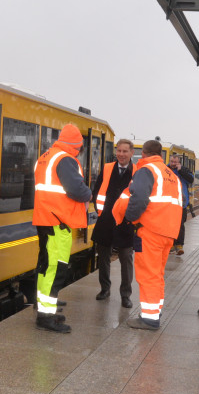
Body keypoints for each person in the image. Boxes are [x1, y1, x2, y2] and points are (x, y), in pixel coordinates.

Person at [112, 140, 183, 330]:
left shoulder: (146, 170)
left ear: (143, 153)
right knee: (157, 274)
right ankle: (155, 310)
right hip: (168, 232)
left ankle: (149, 318)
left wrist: (130, 218)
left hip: (151, 231)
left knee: (148, 275)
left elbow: (139, 198)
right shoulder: (170, 174)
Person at [32, 123, 92, 333]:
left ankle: (44, 308)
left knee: (45, 266)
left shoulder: (46, 156)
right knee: (55, 267)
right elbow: (76, 189)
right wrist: (88, 193)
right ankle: (46, 317)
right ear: (77, 145)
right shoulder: (65, 159)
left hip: (45, 218)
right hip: (58, 221)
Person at [90, 139, 135, 308]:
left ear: (131, 153)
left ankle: (126, 295)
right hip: (106, 220)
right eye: (119, 151)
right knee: (103, 258)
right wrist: (100, 211)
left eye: (125, 151)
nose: (121, 154)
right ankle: (105, 289)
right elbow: (97, 191)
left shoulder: (137, 171)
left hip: (126, 222)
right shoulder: (107, 168)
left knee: (126, 259)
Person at [168, 158, 195, 256]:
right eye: (172, 161)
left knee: (180, 225)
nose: (173, 164)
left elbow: (191, 180)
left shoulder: (184, 170)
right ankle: (171, 245)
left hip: (181, 203)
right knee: (169, 224)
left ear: (179, 163)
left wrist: (181, 171)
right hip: (169, 202)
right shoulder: (166, 169)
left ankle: (179, 246)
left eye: (175, 162)